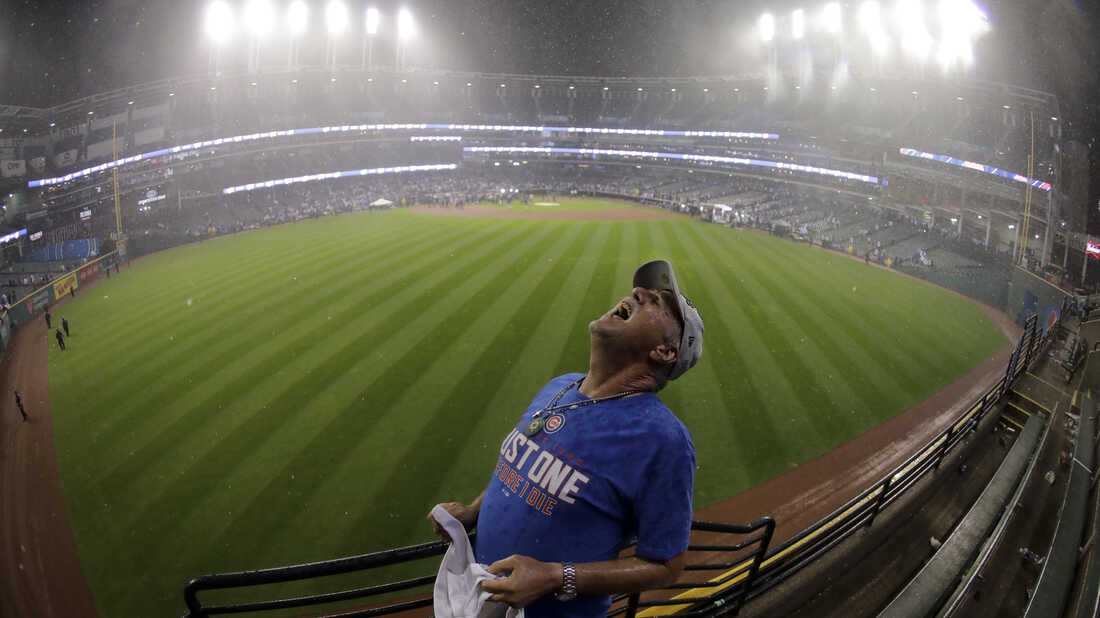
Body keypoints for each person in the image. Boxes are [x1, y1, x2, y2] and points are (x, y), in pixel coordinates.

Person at [428, 259, 704, 617]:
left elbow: (667, 565)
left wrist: (557, 576)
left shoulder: (664, 439)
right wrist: (472, 512)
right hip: (476, 598)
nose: (637, 292)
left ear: (664, 352)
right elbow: (525, 464)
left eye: (657, 303)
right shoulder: (560, 386)